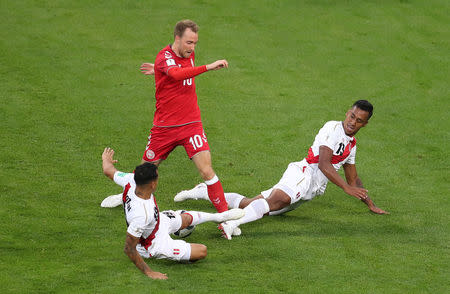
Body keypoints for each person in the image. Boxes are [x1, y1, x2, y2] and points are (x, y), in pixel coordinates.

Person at [174, 100, 389, 240]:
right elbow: (324, 164)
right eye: (352, 116)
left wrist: (370, 203)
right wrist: (345, 189)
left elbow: (354, 178)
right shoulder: (332, 128)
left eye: (359, 121)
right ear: (347, 112)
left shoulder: (351, 145)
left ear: (364, 124)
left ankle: (203, 191)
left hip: (311, 189)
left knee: (256, 205)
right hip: (303, 174)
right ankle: (230, 224)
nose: (353, 122)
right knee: (278, 201)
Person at [101, 19, 230, 213]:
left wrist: (159, 71)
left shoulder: (186, 54)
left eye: (195, 43)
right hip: (165, 127)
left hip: (191, 124)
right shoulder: (164, 57)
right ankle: (126, 194)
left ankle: (226, 218)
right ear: (177, 38)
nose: (192, 47)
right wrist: (208, 67)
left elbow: (178, 71)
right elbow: (177, 74)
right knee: (143, 173)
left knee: (206, 171)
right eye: (188, 42)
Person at [101, 147, 244, 278]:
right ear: (152, 184)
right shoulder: (141, 215)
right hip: (154, 243)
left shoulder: (131, 180)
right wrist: (149, 272)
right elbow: (129, 248)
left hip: (158, 222)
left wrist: (106, 159)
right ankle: (175, 254)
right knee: (202, 251)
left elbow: (108, 170)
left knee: (186, 219)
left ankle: (219, 217)